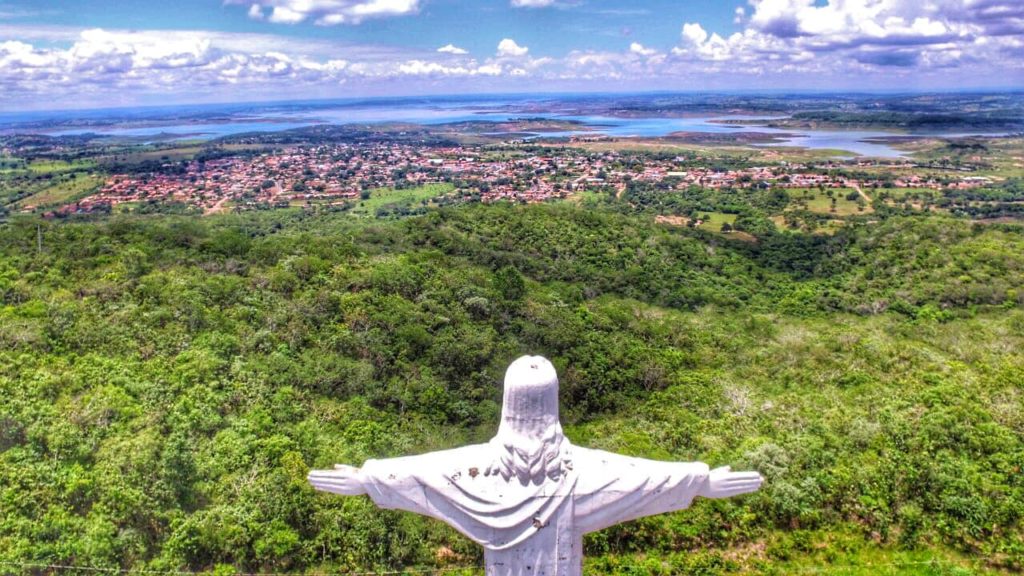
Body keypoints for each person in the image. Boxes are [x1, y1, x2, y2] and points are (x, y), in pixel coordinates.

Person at [309, 355, 763, 576]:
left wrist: (367, 478)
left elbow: (422, 473)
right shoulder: (584, 473)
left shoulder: (473, 472)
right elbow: (642, 478)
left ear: (508, 405)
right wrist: (700, 480)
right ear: (553, 403)